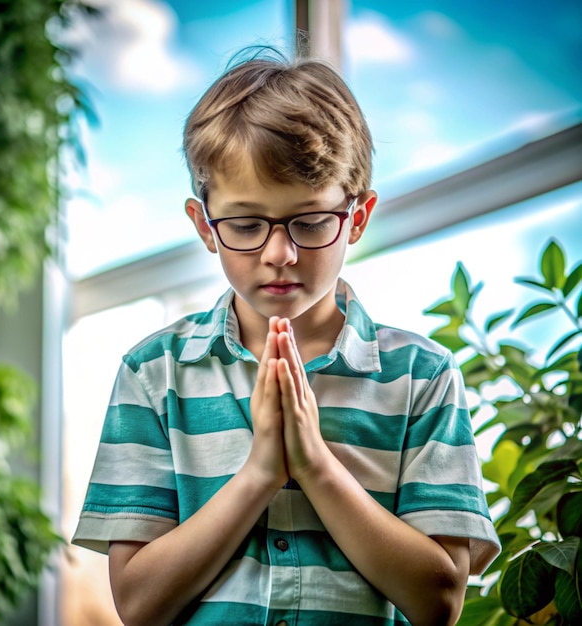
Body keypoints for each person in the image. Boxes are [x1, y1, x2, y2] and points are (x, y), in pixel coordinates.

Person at [72, 47, 500, 626]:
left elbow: (439, 603)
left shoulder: (423, 377)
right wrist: (259, 474)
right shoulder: (153, 373)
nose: (281, 253)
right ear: (204, 226)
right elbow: (139, 605)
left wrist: (314, 463)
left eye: (311, 222)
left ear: (358, 217)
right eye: (246, 225)